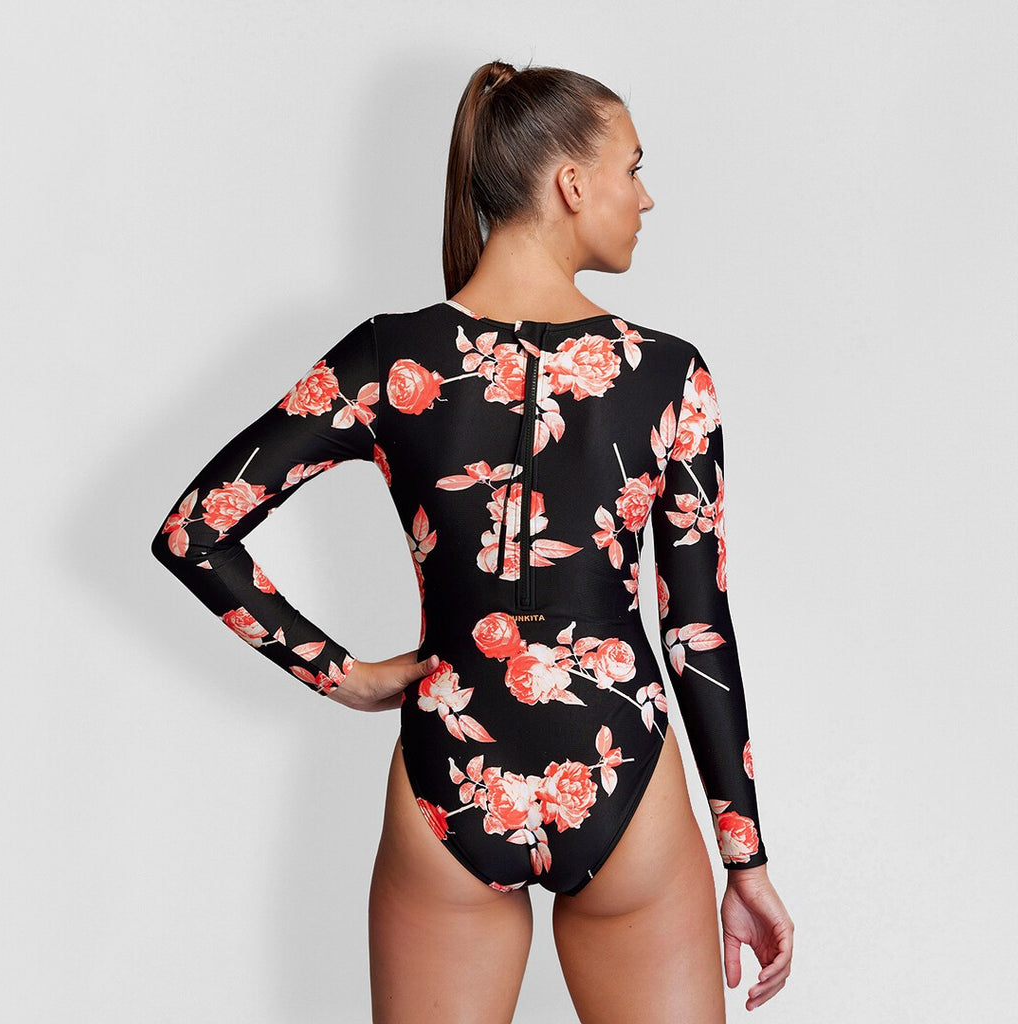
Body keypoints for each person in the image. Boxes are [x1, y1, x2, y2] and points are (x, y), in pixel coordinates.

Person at [150, 58, 794, 1022]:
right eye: (632, 168)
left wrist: (342, 674)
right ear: (571, 183)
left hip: (449, 774)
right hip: (622, 774)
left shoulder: (388, 354)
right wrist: (746, 859)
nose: (646, 196)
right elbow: (697, 628)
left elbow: (195, 531)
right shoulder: (670, 375)